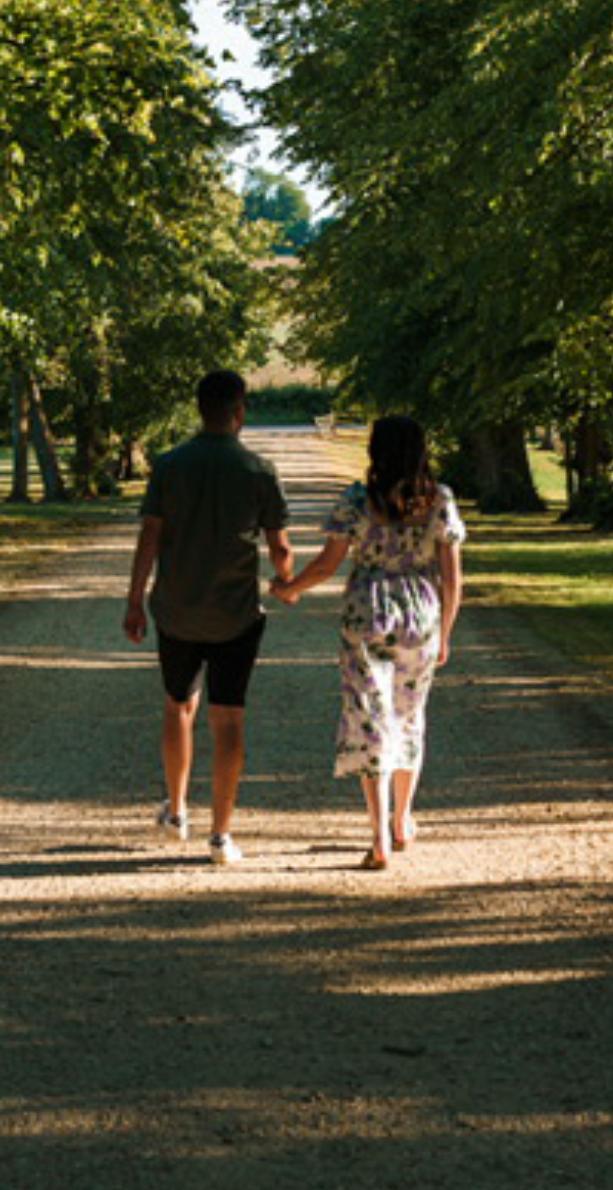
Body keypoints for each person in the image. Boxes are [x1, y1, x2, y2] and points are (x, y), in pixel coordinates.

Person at [272, 415, 464, 870]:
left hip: (367, 611)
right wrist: (446, 633)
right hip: (420, 612)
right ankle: (403, 820)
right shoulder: (440, 500)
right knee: (409, 714)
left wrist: (291, 588)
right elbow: (453, 577)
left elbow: (326, 564)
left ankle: (377, 834)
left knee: (370, 716)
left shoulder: (358, 500)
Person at [124, 368, 294, 866]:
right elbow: (279, 546)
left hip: (176, 610)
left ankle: (177, 810)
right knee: (229, 717)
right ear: (240, 410)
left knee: (179, 704)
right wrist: (286, 580)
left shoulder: (170, 465)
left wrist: (135, 600)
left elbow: (149, 537)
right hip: (236, 614)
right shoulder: (259, 469)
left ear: (200, 409)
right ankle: (221, 835)